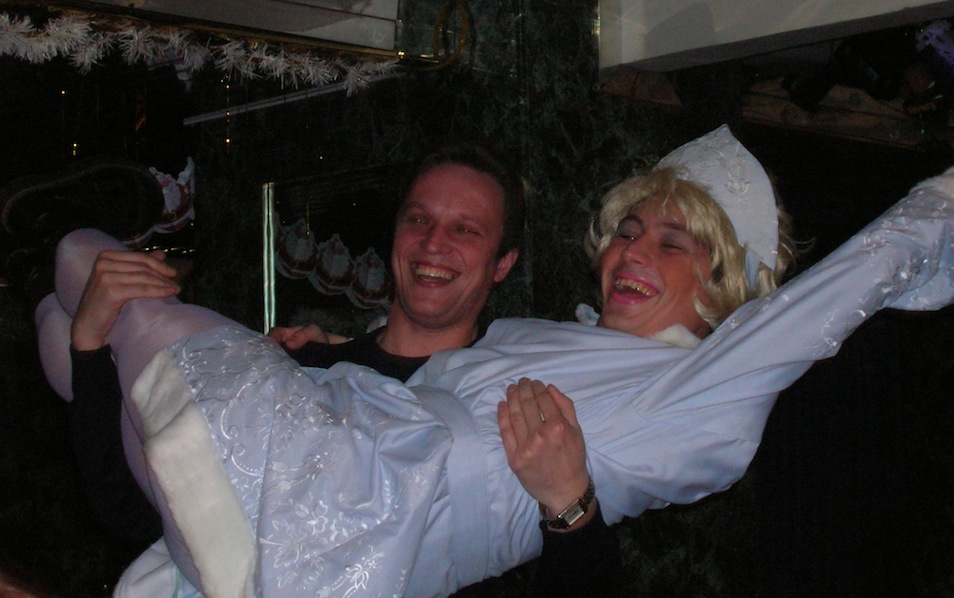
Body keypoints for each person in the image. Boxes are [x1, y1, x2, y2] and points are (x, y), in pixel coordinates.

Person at [33, 125, 954, 597]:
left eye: (671, 242)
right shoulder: (525, 342)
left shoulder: (702, 391)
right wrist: (325, 365)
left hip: (356, 527)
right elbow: (123, 505)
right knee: (77, 310)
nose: (632, 252)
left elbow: (844, 290)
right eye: (627, 230)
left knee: (121, 301)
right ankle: (64, 299)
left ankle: (72, 253)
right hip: (305, 473)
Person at [8, 142, 620, 596]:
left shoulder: (506, 407)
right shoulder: (308, 359)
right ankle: (41, 265)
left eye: (466, 230)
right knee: (78, 335)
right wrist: (90, 347)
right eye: (419, 219)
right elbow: (135, 511)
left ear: (503, 262)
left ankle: (52, 249)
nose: (434, 244)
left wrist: (570, 503)